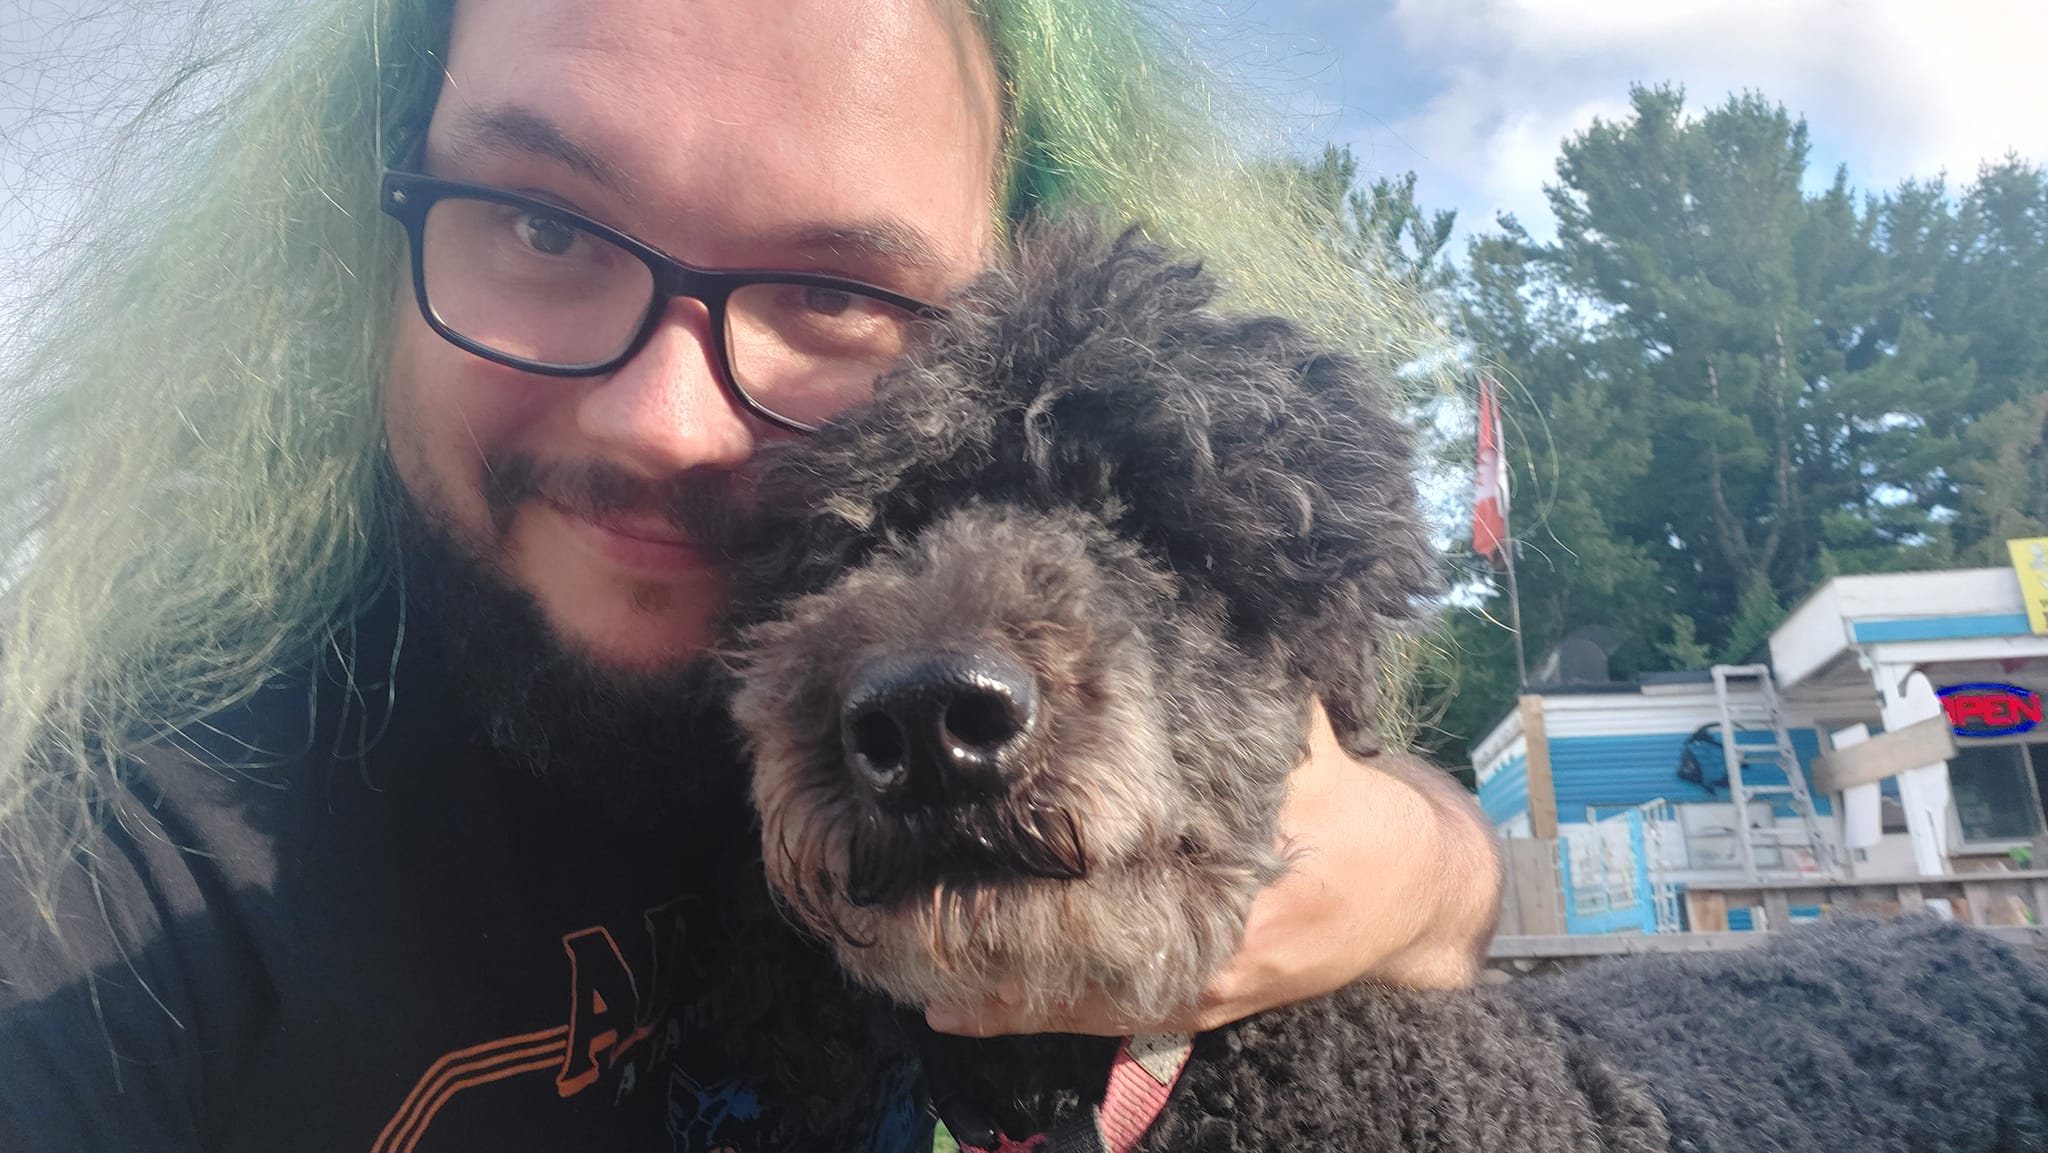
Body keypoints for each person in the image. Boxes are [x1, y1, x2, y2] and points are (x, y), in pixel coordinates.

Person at [0, 1, 1500, 1149]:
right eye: (539, 221)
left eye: (835, 288)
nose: (661, 419)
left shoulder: (922, 718)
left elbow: (1385, 824)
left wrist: (1421, 872)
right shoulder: (99, 864)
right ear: (368, 233)